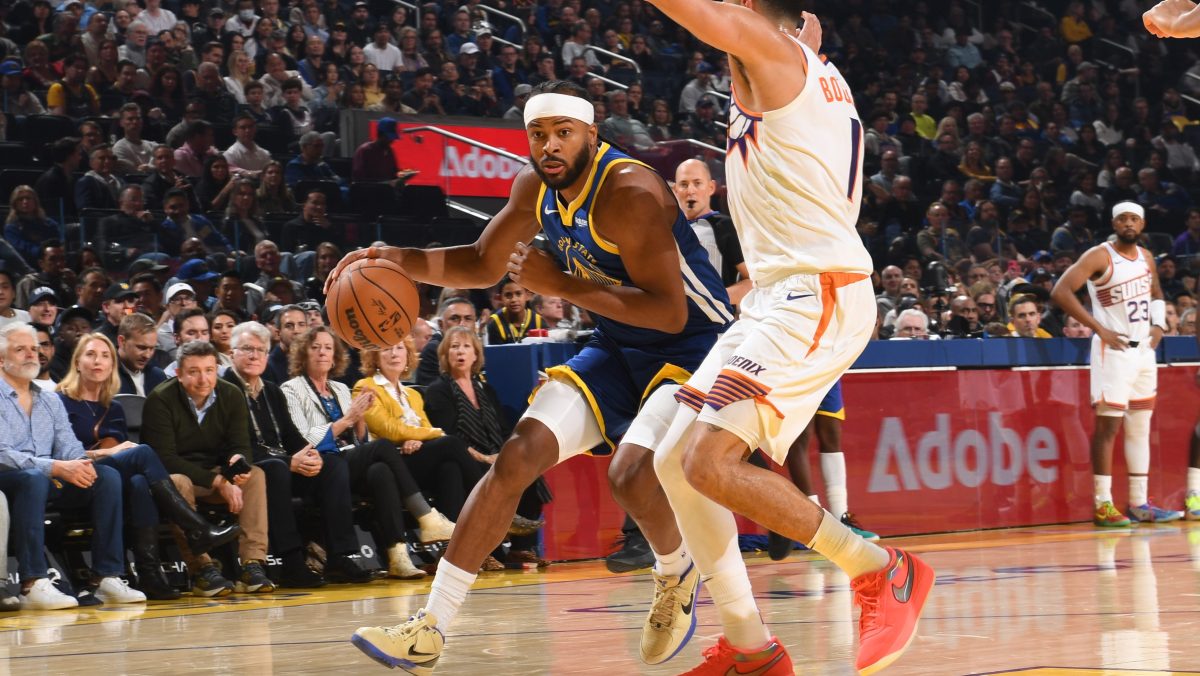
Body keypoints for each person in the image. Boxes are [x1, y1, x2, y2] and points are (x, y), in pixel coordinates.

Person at [341, 79, 734, 672]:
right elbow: (482, 261)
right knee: (516, 457)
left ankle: (676, 572)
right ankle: (430, 628)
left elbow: (670, 312)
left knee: (631, 476)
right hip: (617, 342)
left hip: (695, 346)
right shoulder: (534, 187)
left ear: (591, 135)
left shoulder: (631, 191)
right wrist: (398, 259)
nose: (549, 146)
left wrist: (564, 286)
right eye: (538, 134)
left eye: (563, 133)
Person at [623, 9, 930, 674]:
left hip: (813, 292)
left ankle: (880, 568)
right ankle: (750, 648)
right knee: (674, 461)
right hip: (776, 298)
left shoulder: (777, 55)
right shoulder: (791, 70)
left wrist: (775, 39)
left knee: (708, 463)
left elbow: (719, 21)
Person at [57, 332, 241, 599]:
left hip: (110, 479)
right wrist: (108, 452)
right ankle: (197, 529)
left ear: (112, 365)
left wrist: (115, 454)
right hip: (74, 476)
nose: (98, 361)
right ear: (77, 362)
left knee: (140, 482)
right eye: (91, 355)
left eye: (105, 356)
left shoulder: (113, 407)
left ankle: (150, 574)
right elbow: (59, 454)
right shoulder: (59, 401)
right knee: (143, 453)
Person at [281, 326, 453, 579]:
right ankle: (426, 517)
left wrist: (359, 420)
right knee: (382, 447)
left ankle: (397, 555)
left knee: (380, 471)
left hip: (347, 460)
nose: (322, 353)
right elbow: (303, 439)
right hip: (318, 463)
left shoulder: (340, 389)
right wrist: (347, 419)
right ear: (302, 354)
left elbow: (358, 441)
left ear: (335, 356)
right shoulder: (291, 389)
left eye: (328, 348)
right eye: (315, 347)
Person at [1051, 201, 1184, 527]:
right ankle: (1103, 504)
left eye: (1134, 219)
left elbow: (1156, 292)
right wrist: (1098, 327)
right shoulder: (1099, 255)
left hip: (1143, 352)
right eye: (1123, 218)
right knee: (1108, 427)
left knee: (1140, 427)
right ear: (1114, 223)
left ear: (1142, 223)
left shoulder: (1146, 257)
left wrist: (1158, 325)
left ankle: (1139, 503)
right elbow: (1061, 291)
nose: (1128, 223)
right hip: (1113, 349)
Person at [0, 323, 145, 608]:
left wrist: (80, 464)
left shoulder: (49, 399)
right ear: (1, 359)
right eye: (20, 350)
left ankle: (106, 576)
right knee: (33, 478)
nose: (31, 355)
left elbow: (68, 445)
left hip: (46, 478)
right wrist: (54, 467)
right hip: (8, 478)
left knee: (106, 477)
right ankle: (32, 583)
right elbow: (2, 453)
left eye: (34, 349)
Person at [224, 322, 373, 585]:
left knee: (332, 464)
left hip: (283, 462)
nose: (254, 355)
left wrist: (309, 454)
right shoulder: (224, 389)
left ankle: (339, 556)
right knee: (277, 469)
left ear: (267, 355)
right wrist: (289, 461)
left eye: (260, 350)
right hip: (250, 466)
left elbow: (292, 436)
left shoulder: (271, 389)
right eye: (246, 349)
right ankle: (291, 561)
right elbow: (238, 445)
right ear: (231, 353)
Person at [141, 340, 274, 597]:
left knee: (256, 475)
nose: (203, 379)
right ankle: (202, 568)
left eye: (209, 370)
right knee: (178, 481)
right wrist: (219, 483)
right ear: (178, 373)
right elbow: (164, 459)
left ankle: (252, 564)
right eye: (194, 371)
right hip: (175, 479)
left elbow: (241, 444)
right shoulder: (160, 399)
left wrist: (238, 465)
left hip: (215, 474)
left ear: (217, 370)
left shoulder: (231, 394)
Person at [425, 326, 549, 566]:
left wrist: (506, 454)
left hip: (494, 455)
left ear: (476, 355)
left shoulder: (486, 390)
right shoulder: (438, 390)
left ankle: (520, 548)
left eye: (466, 346)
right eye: (454, 347)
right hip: (464, 458)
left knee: (529, 471)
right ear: (445, 354)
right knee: (475, 472)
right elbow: (448, 435)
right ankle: (481, 550)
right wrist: (484, 458)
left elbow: (503, 430)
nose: (460, 352)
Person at [763, 381, 879, 561]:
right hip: (799, 372)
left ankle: (841, 519)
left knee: (831, 433)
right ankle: (815, 523)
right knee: (801, 436)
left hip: (829, 369)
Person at [673, 159, 749, 303]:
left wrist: (715, 300)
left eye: (697, 183)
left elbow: (753, 281)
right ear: (675, 190)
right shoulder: (669, 229)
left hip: (715, 316)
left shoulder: (725, 226)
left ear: (711, 187)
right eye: (684, 184)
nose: (690, 191)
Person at [117, 313, 168, 396]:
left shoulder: (158, 376)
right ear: (122, 341)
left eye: (152, 348)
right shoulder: (105, 375)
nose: (147, 355)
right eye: (141, 348)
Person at [486, 276, 546, 344]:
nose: (514, 300)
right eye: (508, 295)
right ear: (500, 298)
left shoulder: (538, 321)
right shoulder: (495, 323)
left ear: (528, 295)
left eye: (518, 294)